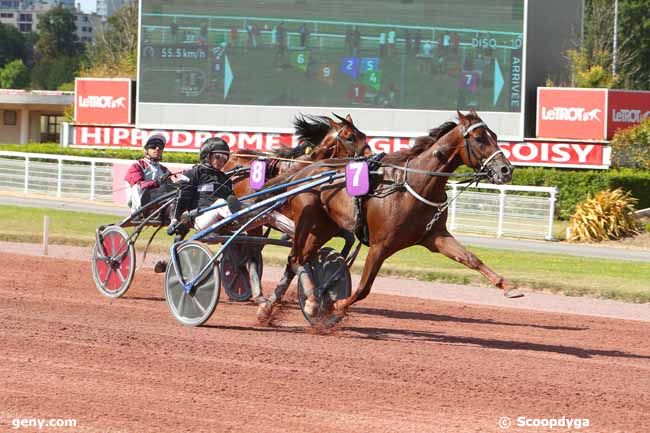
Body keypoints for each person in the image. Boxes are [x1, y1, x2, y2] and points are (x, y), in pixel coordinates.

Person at [124, 134, 172, 214]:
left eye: (160, 147)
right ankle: (138, 213)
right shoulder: (137, 165)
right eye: (153, 146)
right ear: (146, 150)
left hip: (159, 203)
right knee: (137, 187)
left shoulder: (164, 169)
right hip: (141, 203)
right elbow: (139, 185)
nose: (157, 149)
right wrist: (156, 182)